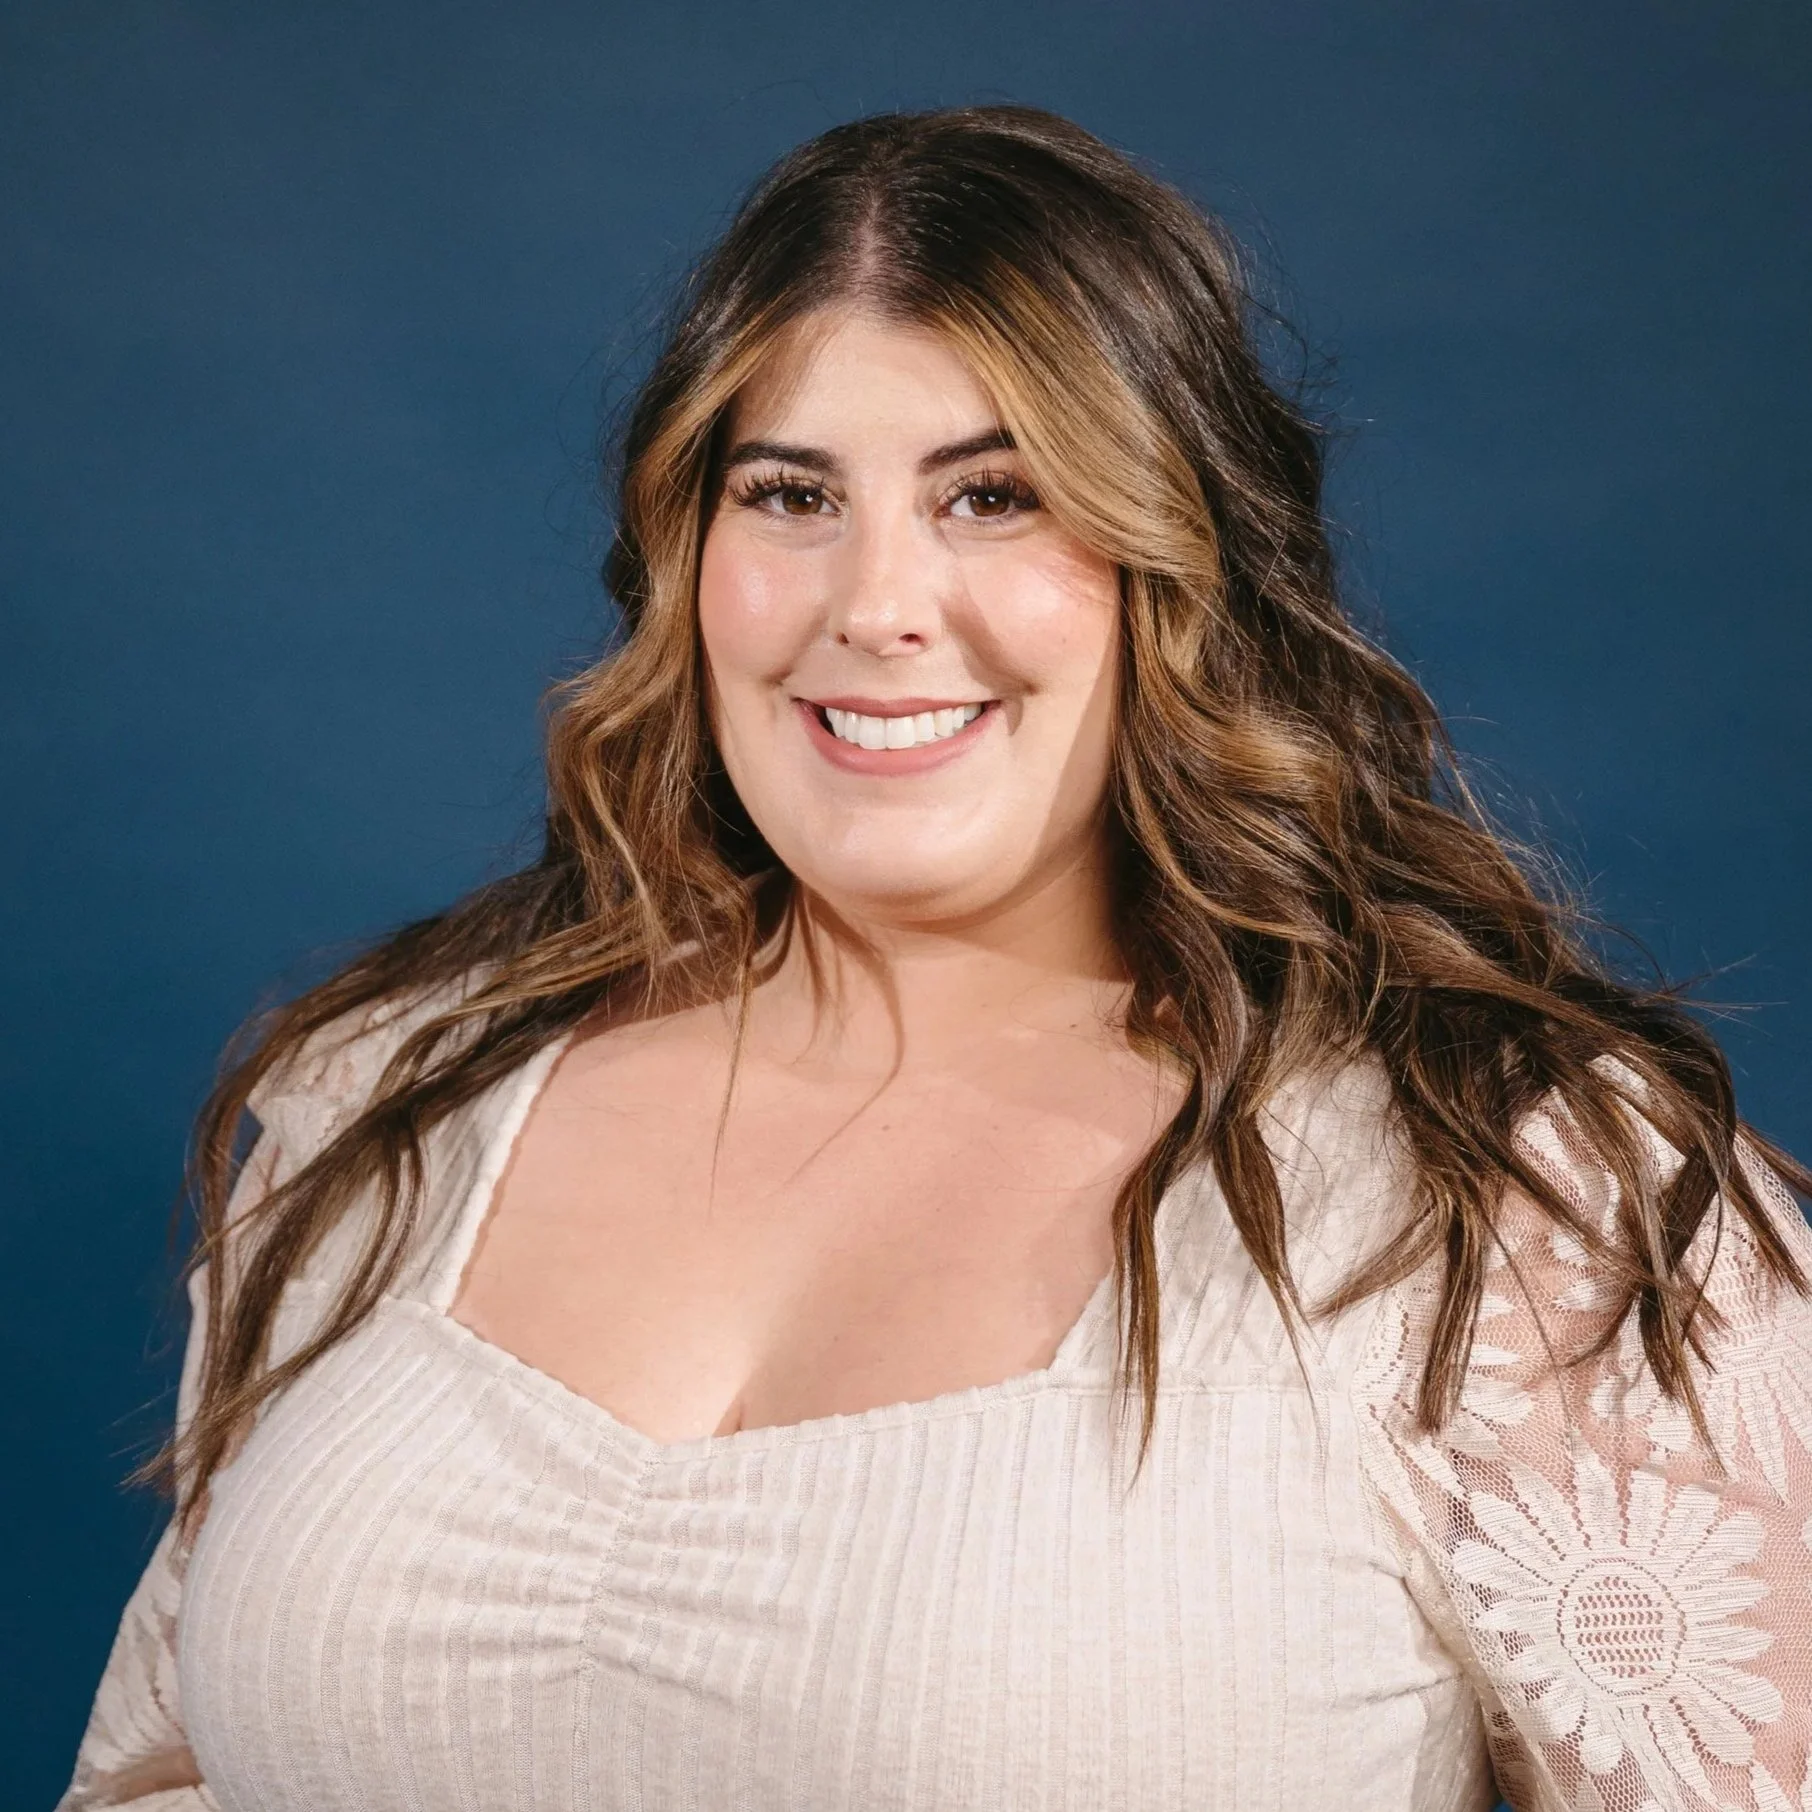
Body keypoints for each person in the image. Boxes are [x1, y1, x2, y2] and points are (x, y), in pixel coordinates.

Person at [59, 104, 1812, 1812]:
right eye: (791, 494)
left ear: (1176, 564)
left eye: (994, 497)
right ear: (687, 560)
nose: (877, 603)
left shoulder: (1525, 1209)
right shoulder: (390, 1102)